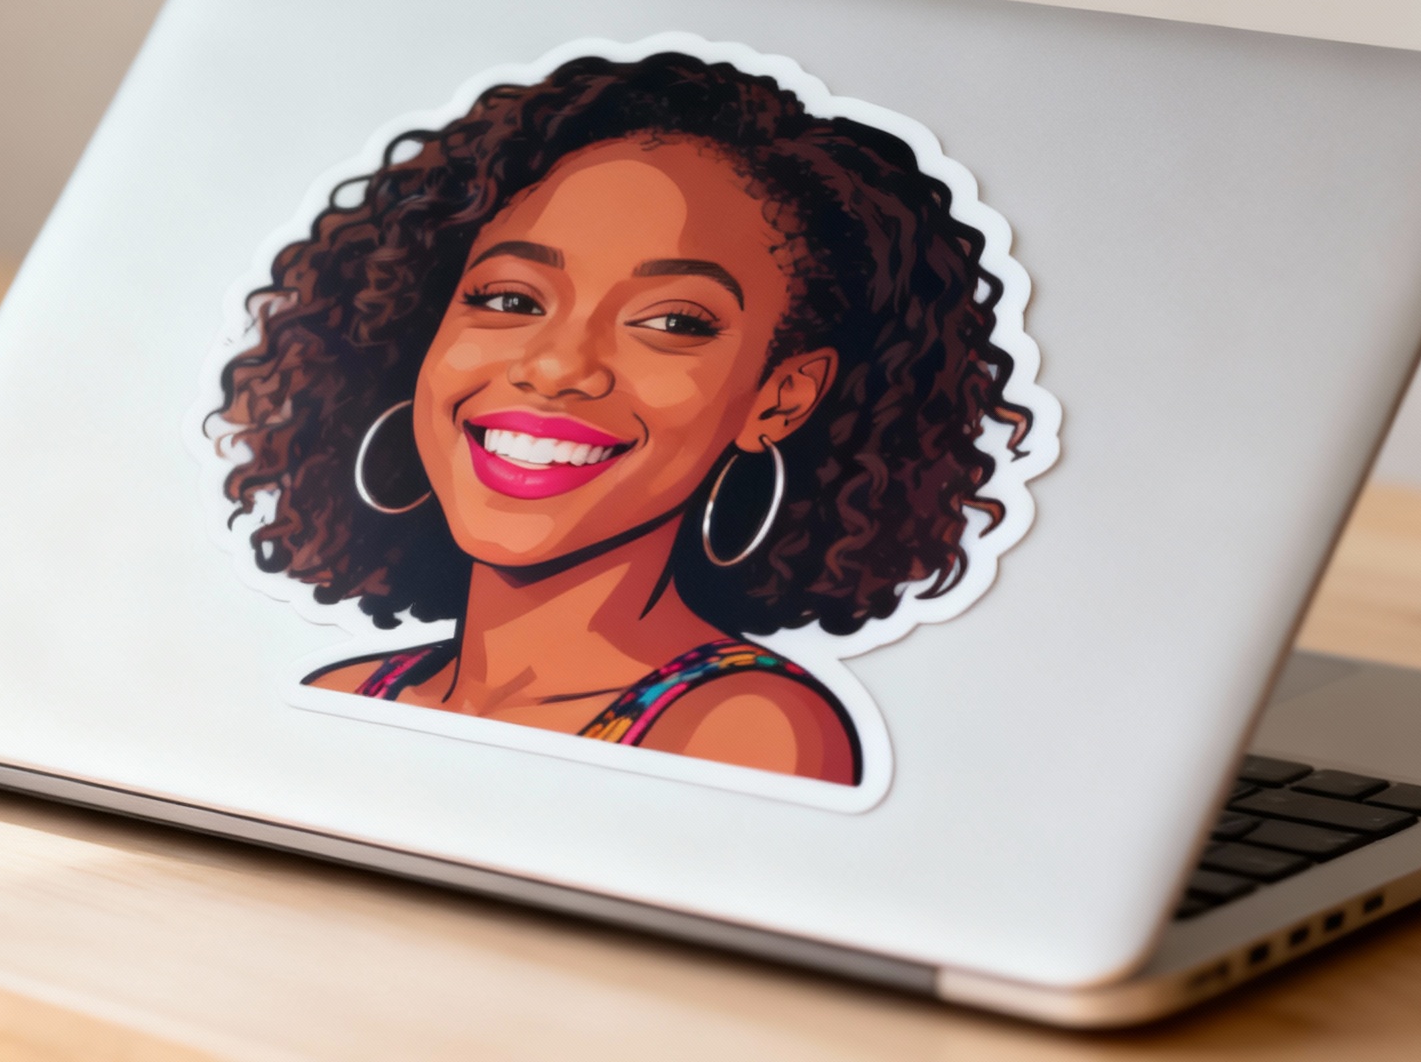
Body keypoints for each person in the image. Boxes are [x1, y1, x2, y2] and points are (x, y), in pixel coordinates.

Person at [212, 52, 1033, 786]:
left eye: (673, 321)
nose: (557, 367)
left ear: (779, 397)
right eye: (508, 299)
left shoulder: (742, 731)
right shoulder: (345, 694)